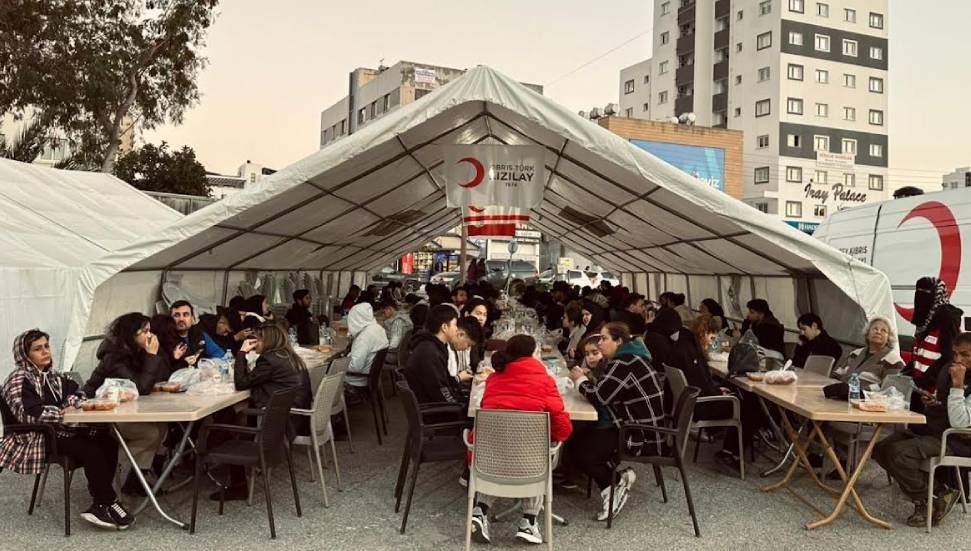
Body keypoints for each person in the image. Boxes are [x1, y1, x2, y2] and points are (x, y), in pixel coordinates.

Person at [0, 329, 135, 530]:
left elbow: (78, 393)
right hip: (34, 437)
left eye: (46, 346)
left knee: (106, 438)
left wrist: (69, 404)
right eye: (37, 349)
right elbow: (30, 414)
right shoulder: (19, 379)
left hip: (56, 430)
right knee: (90, 448)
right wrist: (62, 412)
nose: (45, 351)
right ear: (25, 355)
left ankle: (102, 500)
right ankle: (105, 502)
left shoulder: (52, 376)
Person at [470, 335, 573, 545]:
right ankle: (529, 520)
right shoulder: (545, 381)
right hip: (530, 463)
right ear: (533, 354)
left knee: (504, 452)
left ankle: (480, 510)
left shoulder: (494, 379)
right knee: (539, 451)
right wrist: (557, 437)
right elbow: (562, 425)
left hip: (490, 460)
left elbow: (486, 409)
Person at [568, 322, 665, 521]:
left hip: (639, 433)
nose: (600, 343)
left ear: (618, 341)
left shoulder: (624, 363)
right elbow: (608, 391)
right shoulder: (629, 358)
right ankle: (616, 479)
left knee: (583, 452)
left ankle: (614, 486)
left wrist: (580, 380)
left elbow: (600, 397)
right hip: (634, 423)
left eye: (604, 339)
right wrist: (590, 379)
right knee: (576, 441)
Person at [873, 332, 971, 528]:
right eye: (955, 354)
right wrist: (935, 402)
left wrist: (958, 386)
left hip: (956, 439)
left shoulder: (958, 377)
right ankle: (939, 493)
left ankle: (925, 501)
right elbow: (950, 404)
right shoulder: (948, 369)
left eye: (965, 354)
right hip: (933, 428)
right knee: (880, 449)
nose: (957, 359)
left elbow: (960, 422)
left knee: (899, 453)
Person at [219, 323, 312, 499]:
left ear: (267, 341)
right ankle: (244, 468)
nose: (255, 343)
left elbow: (241, 383)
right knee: (239, 412)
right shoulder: (287, 355)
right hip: (297, 417)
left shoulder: (268, 360)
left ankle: (238, 485)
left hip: (281, 423)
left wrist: (241, 352)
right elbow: (255, 380)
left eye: (257, 339)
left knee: (228, 422)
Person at [83, 313, 167, 497]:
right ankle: (106, 467)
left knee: (162, 427)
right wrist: (151, 356)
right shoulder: (114, 358)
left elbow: (158, 379)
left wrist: (154, 355)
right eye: (145, 331)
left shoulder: (136, 352)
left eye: (150, 330)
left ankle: (135, 480)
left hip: (123, 410)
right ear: (131, 334)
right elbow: (141, 388)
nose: (150, 335)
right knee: (150, 433)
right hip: (100, 416)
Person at [905, 277, 964, 401]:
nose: (921, 297)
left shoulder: (947, 319)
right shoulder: (924, 320)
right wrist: (906, 372)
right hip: (918, 389)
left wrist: (924, 381)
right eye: (918, 292)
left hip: (934, 393)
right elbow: (920, 354)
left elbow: (949, 356)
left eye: (926, 293)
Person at [404, 305, 471, 404]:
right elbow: (439, 390)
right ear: (444, 327)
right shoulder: (429, 352)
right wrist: (458, 404)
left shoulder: (434, 346)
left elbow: (444, 381)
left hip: (435, 403)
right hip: (433, 407)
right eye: (455, 325)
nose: (457, 329)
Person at [832, 317, 903, 387]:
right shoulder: (855, 353)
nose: (878, 332)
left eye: (883, 330)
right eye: (875, 329)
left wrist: (861, 391)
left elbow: (889, 387)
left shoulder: (894, 362)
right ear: (867, 334)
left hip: (865, 394)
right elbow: (838, 373)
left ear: (889, 337)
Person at [343, 303, 390, 399]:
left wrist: (338, 365)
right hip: (369, 377)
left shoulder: (364, 337)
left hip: (356, 381)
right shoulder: (378, 329)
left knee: (323, 375)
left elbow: (355, 367)